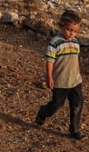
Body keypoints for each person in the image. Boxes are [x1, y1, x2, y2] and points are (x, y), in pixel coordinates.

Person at [34, 9, 84, 139]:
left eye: (75, 31)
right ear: (61, 26)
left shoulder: (76, 42)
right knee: (57, 105)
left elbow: (76, 58)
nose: (71, 33)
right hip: (60, 81)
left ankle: (74, 130)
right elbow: (50, 61)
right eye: (69, 29)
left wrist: (79, 73)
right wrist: (49, 77)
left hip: (75, 81)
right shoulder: (55, 43)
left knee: (77, 104)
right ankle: (43, 112)